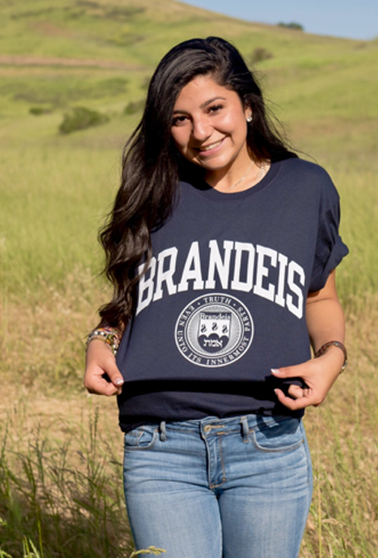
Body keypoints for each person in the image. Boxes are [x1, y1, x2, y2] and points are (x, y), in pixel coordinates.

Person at [83, 36, 348, 558]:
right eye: (180, 119)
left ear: (247, 105)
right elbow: (130, 298)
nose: (201, 132)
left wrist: (331, 360)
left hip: (267, 440)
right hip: (160, 446)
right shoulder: (153, 190)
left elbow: (318, 297)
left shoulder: (305, 187)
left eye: (214, 108)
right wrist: (101, 339)